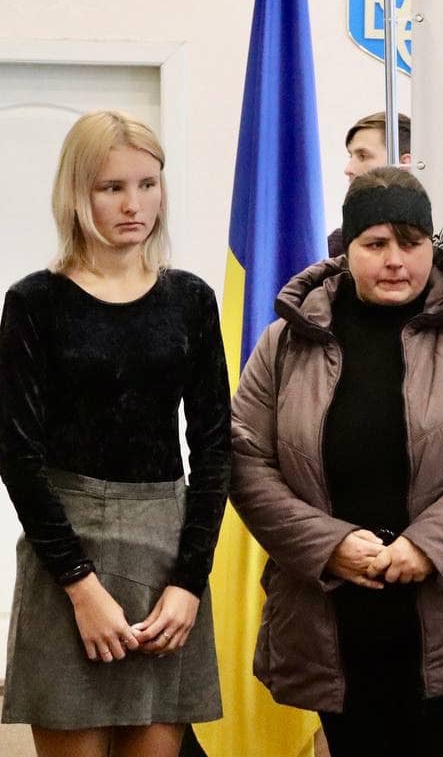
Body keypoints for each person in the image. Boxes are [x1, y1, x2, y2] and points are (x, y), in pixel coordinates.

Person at [230, 166, 443, 757]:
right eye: (375, 244)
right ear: (346, 249)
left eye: (412, 242)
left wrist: (430, 546)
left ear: (433, 244)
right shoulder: (285, 342)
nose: (396, 260)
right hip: (338, 628)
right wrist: (328, 545)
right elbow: (245, 458)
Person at [0, 111, 229, 757]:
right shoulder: (35, 302)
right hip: (67, 554)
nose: (135, 204)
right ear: (78, 193)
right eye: (112, 187)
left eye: (148, 184)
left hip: (167, 552)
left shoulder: (190, 299)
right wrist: (81, 586)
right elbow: (18, 455)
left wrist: (189, 580)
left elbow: (215, 448)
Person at [329, 111, 412, 256]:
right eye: (351, 156)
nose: (348, 169)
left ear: (404, 165)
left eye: (363, 156)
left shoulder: (440, 241)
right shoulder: (337, 248)